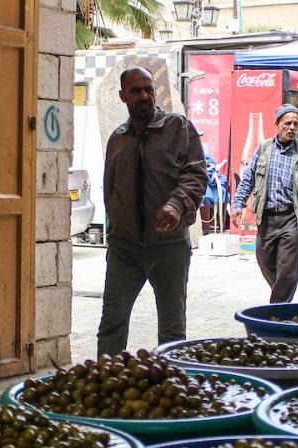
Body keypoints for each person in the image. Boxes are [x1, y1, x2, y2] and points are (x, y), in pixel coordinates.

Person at [96, 67, 206, 357]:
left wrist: (175, 204)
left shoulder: (179, 128)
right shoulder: (117, 139)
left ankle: (169, 378)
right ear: (123, 96)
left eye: (149, 89)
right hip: (125, 249)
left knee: (172, 330)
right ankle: (104, 378)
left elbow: (196, 175)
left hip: (169, 247)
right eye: (136, 91)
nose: (144, 96)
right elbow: (110, 189)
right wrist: (116, 229)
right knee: (111, 323)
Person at [231, 104, 298, 303]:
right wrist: (238, 204)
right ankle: (283, 299)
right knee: (264, 260)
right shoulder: (263, 149)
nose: (292, 127)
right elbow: (247, 179)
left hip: (292, 218)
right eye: (287, 123)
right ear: (277, 124)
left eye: (295, 124)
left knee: (287, 268)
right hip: (266, 218)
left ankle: (277, 310)